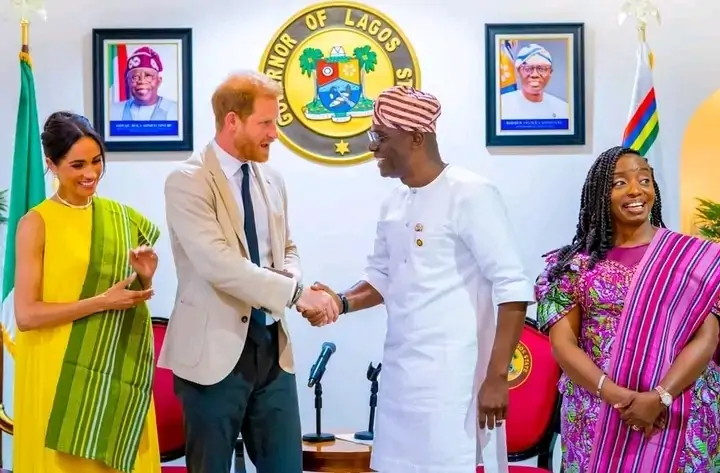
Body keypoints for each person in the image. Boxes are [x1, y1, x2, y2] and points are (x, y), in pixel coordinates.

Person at [303, 85, 535, 473]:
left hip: (453, 382)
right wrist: (339, 303)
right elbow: (381, 277)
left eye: (380, 136)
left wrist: (497, 377)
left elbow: (513, 288)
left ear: (415, 137)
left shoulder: (471, 193)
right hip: (400, 379)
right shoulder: (394, 202)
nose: (372, 146)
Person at [159, 70, 338, 473]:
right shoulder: (186, 181)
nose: (274, 134)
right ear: (232, 121)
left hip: (273, 352)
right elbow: (219, 264)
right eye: (266, 123)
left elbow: (286, 249)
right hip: (211, 356)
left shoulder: (271, 179)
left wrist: (293, 281)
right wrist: (297, 295)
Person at [535, 146, 720, 472]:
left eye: (644, 180)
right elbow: (563, 345)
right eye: (620, 183)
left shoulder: (692, 261)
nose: (636, 190)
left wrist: (660, 397)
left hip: (677, 410)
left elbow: (707, 338)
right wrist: (617, 397)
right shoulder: (573, 266)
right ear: (599, 194)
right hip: (598, 411)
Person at [12, 111, 161, 472]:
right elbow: (27, 315)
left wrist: (145, 277)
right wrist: (99, 302)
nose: (91, 173)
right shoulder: (36, 223)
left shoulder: (122, 217)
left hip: (112, 365)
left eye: (96, 161)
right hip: (57, 369)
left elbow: (126, 297)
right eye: (77, 165)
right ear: (51, 164)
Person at [500, 43, 569, 120]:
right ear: (517, 72)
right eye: (528, 69)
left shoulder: (564, 110)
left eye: (542, 69)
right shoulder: (501, 106)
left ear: (550, 73)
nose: (534, 74)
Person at [109, 46, 178, 121]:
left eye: (148, 76)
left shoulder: (176, 110)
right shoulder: (112, 112)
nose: (141, 81)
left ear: (159, 81)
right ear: (127, 82)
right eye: (135, 77)